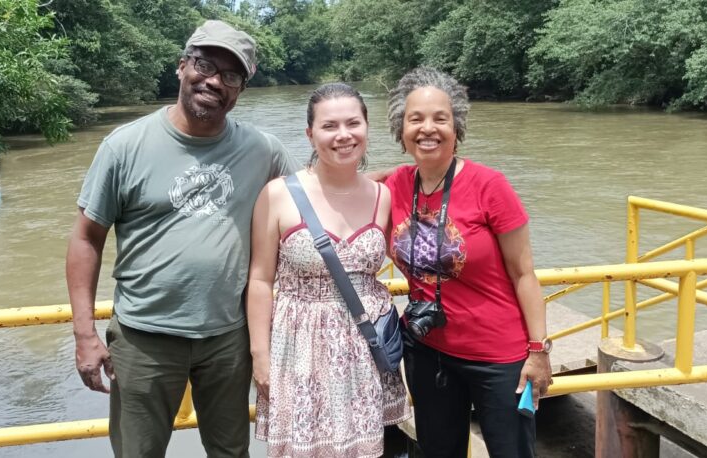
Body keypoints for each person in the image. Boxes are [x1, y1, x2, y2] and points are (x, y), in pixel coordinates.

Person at [65, 20, 300, 458]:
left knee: (231, 452)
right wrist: (84, 334)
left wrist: (389, 186)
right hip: (143, 338)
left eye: (230, 75)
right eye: (205, 65)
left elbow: (312, 201)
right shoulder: (124, 146)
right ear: (181, 67)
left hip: (229, 338)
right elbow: (86, 238)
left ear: (241, 90)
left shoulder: (263, 151)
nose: (213, 81)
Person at [384, 67, 553, 458]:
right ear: (401, 129)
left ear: (456, 127)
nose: (428, 128)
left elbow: (524, 273)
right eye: (416, 119)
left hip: (498, 356)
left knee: (510, 451)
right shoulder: (395, 184)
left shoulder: (489, 186)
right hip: (427, 350)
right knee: (437, 450)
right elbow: (342, 188)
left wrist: (539, 351)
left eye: (440, 118)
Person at [247, 83, 409, 457]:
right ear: (310, 134)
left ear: (367, 128)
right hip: (299, 346)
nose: (343, 135)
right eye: (329, 126)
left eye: (353, 123)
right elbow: (259, 280)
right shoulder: (277, 194)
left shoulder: (382, 196)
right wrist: (260, 356)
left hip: (366, 347)